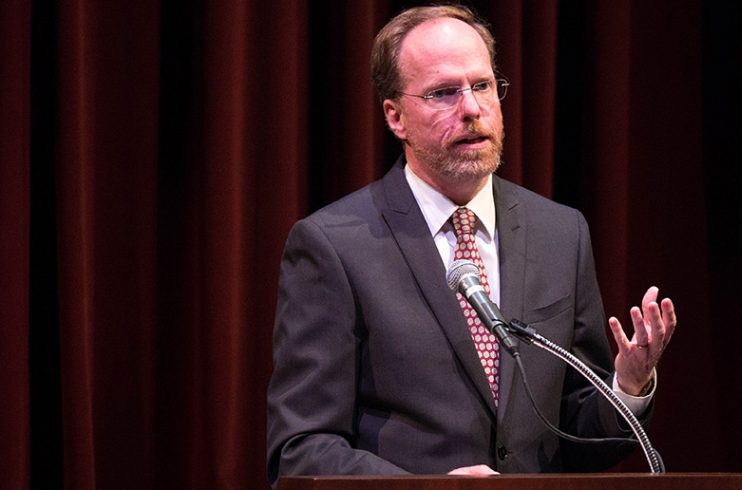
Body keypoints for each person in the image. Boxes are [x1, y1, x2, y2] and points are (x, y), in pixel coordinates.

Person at [266, 5, 677, 486]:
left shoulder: (560, 232)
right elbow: (301, 449)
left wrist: (627, 386)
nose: (471, 109)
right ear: (395, 116)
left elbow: (571, 435)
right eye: (443, 93)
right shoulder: (333, 246)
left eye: (482, 86)